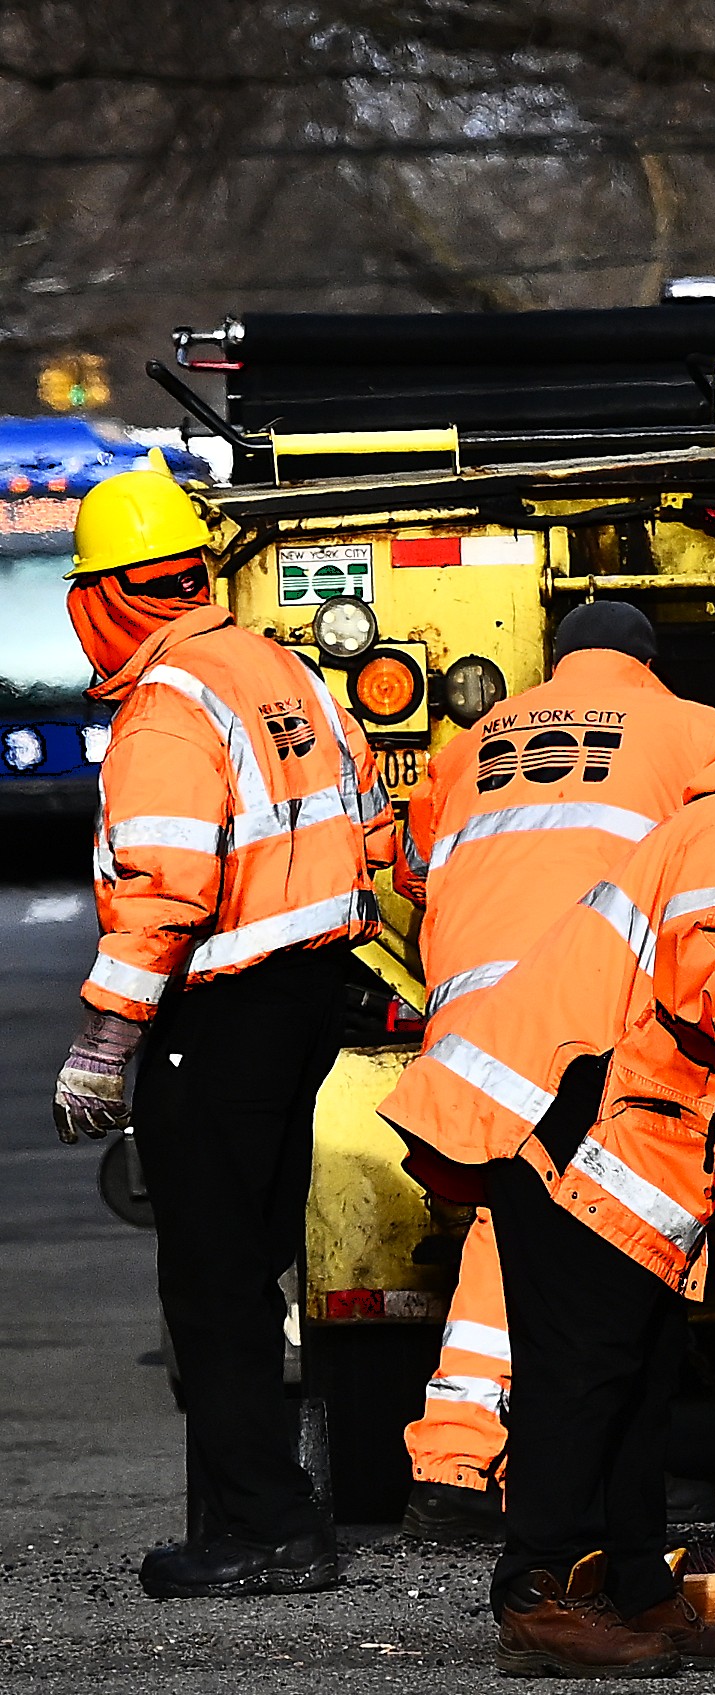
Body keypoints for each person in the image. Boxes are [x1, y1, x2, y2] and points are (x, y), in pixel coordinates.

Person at [379, 726, 715, 1677]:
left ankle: (632, 1585)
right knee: (580, 1376)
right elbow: (713, 953)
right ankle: (537, 1595)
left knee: (636, 1377)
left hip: (625, 1154)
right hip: (572, 1135)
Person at [51, 454, 391, 1599]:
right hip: (299, 1004)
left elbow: (164, 890)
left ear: (106, 594)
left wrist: (106, 1040)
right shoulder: (280, 668)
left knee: (212, 1285)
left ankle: (262, 1527)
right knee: (251, 1265)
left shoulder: (168, 707)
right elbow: (370, 825)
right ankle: (275, 1515)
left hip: (220, 1009)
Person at [393, 598, 715, 1542]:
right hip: (583, 1003)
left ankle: (477, 1453)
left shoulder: (471, 742)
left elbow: (413, 869)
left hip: (473, 1003)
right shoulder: (695, 729)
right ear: (648, 660)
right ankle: (492, 1462)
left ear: (557, 661)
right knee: (596, 1220)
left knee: (513, 1211)